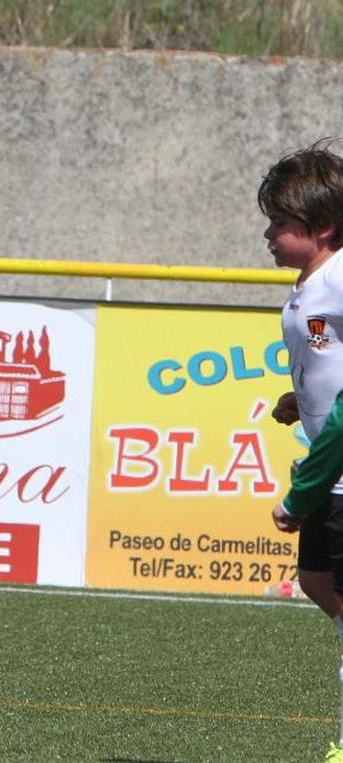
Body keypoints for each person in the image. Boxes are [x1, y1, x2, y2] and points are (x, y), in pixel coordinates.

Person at [262, 141, 343, 763]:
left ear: (322, 228)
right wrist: (302, 399)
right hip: (329, 462)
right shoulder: (310, 283)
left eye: (280, 224)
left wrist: (301, 494)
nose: (268, 233)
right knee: (316, 580)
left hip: (336, 474)